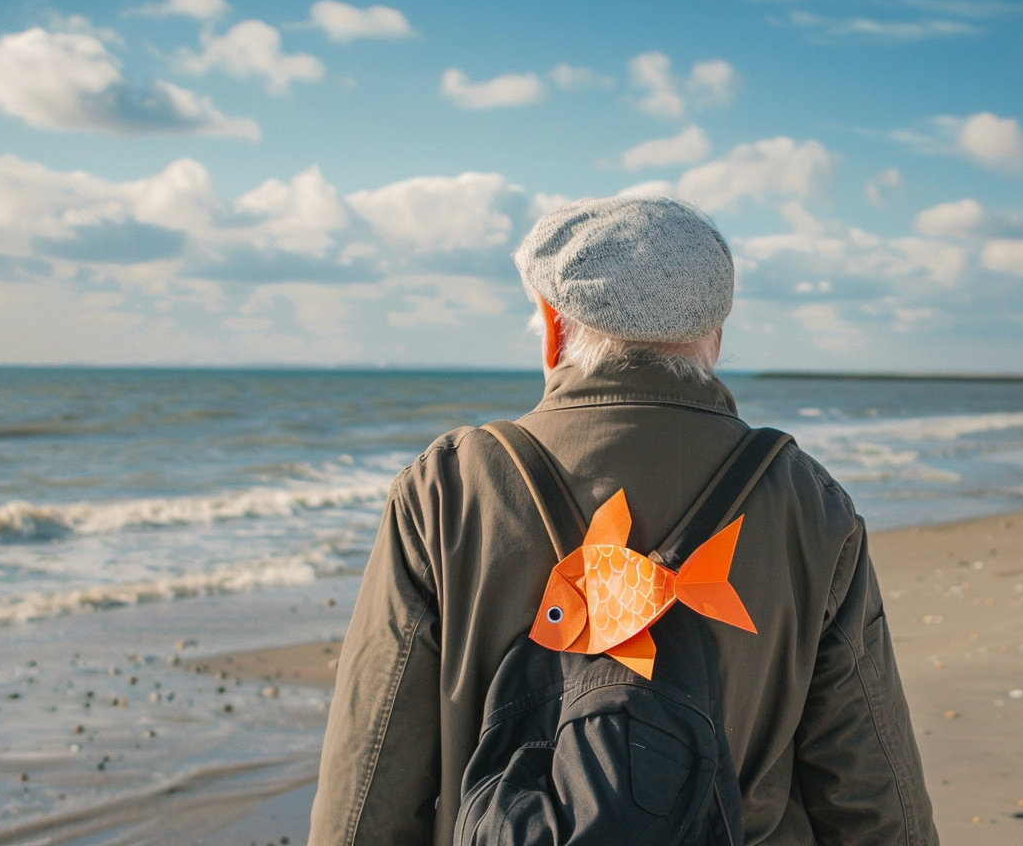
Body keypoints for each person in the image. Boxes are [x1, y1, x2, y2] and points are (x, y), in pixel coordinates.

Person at [308, 195, 938, 845]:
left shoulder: (448, 488)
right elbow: (869, 780)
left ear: (553, 328)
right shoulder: (807, 500)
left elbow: (373, 768)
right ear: (713, 338)